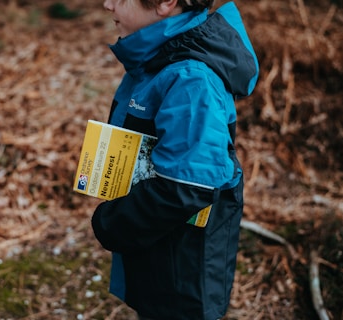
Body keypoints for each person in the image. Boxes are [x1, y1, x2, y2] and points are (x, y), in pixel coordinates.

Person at [91, 0, 259, 319]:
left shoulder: (190, 77)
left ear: (166, 2)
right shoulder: (159, 56)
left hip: (183, 263)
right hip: (161, 244)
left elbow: (189, 186)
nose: (107, 3)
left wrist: (112, 222)